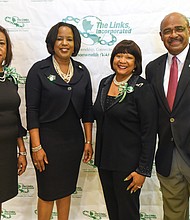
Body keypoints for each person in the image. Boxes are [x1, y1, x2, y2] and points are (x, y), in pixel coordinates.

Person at [25, 22, 93, 220]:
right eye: (60, 38)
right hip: (46, 143)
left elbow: (88, 110)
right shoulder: (38, 70)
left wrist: (88, 141)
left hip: (73, 143)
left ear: (75, 43)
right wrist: (36, 147)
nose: (65, 43)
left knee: (66, 190)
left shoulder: (82, 71)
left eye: (69, 39)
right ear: (52, 42)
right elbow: (32, 111)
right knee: (47, 193)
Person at [93, 40, 157, 220]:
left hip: (129, 167)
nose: (122, 60)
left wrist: (142, 170)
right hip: (105, 162)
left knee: (128, 214)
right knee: (113, 212)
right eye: (119, 55)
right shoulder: (105, 83)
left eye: (129, 57)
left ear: (136, 63)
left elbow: (149, 131)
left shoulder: (142, 88)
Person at [145, 12, 190, 220]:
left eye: (179, 29)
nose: (173, 35)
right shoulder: (153, 68)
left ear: (188, 30)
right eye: (167, 31)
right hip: (167, 157)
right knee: (173, 215)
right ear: (161, 36)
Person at [0, 26, 27, 215]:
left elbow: (14, 115)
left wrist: (22, 151)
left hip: (6, 150)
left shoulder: (10, 79)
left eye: (1, 43)